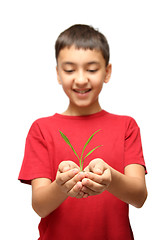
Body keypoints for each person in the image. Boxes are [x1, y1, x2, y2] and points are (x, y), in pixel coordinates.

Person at [18, 24, 147, 240]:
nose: (80, 79)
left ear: (107, 72)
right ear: (58, 73)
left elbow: (139, 196)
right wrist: (60, 185)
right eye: (69, 70)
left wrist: (110, 179)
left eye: (92, 69)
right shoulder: (41, 129)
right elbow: (40, 206)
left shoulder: (127, 126)